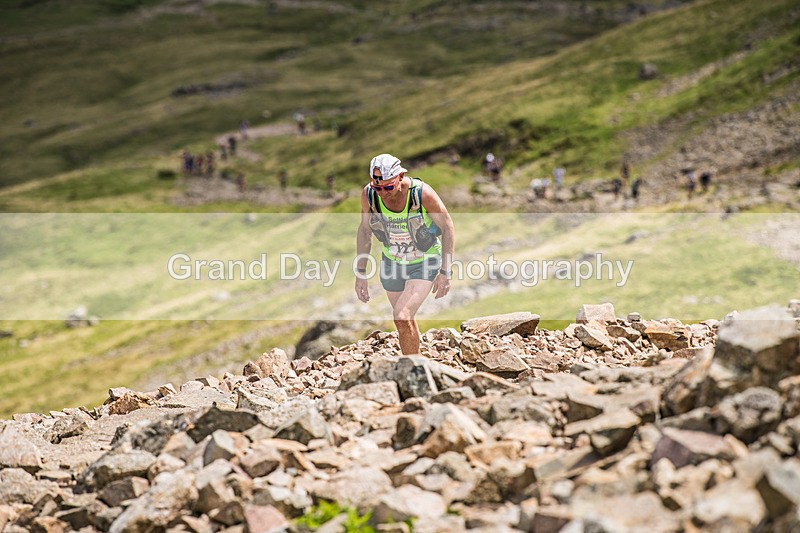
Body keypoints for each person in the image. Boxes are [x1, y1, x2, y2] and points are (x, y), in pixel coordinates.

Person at [355, 154, 455, 356]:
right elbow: (365, 232)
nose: (383, 193)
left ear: (400, 176)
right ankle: (417, 362)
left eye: (389, 187)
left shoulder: (421, 193)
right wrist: (360, 273)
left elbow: (447, 227)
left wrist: (446, 271)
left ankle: (413, 369)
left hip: (425, 260)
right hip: (392, 263)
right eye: (378, 188)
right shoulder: (369, 195)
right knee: (405, 320)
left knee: (401, 315)